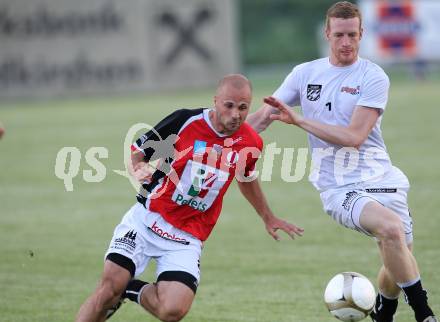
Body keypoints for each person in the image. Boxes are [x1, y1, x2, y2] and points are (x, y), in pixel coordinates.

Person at [246, 2, 437, 322]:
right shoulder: (305, 74)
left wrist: (300, 121)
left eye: (352, 35)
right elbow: (262, 117)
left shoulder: (373, 76)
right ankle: (425, 314)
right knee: (391, 230)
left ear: (362, 34)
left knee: (398, 252)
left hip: (383, 176)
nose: (345, 42)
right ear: (327, 34)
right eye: (339, 35)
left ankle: (385, 312)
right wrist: (218, 135)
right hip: (339, 185)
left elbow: (354, 136)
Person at [75, 74, 304, 322]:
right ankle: (117, 291)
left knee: (172, 311)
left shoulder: (250, 141)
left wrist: (267, 217)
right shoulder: (185, 120)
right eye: (228, 105)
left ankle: (129, 289)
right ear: (215, 101)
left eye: (242, 107)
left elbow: (246, 178)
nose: (235, 114)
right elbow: (137, 153)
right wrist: (139, 168)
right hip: (146, 219)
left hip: (187, 236)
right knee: (107, 291)